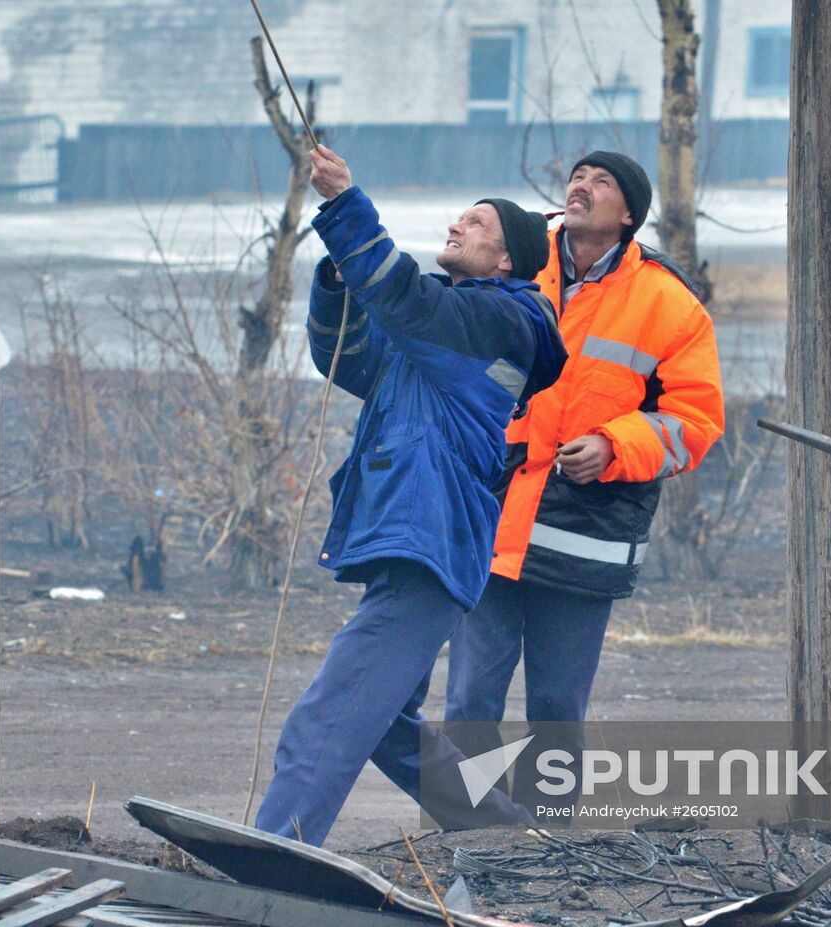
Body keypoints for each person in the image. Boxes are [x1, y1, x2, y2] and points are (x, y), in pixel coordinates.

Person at [253, 145, 568, 847]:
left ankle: (278, 846)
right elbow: (354, 356)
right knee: (387, 724)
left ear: (508, 260)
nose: (458, 226)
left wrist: (342, 206)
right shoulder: (443, 331)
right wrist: (339, 278)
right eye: (459, 217)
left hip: (430, 544)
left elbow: (402, 296)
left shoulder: (502, 324)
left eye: (477, 223)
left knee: (329, 714)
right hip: (418, 541)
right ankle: (503, 834)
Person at [444, 150, 725, 816]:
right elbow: (455, 341)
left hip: (583, 531)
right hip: (495, 516)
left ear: (628, 213)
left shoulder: (669, 303)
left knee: (556, 707)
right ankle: (466, 835)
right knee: (469, 700)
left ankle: (550, 843)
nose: (581, 186)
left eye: (601, 182)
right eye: (577, 176)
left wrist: (613, 443)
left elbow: (695, 420)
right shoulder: (512, 255)